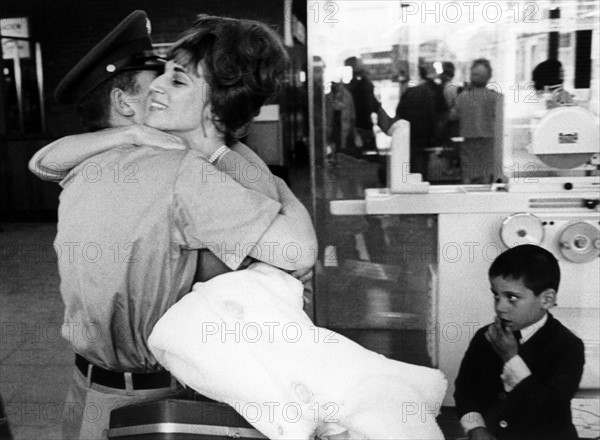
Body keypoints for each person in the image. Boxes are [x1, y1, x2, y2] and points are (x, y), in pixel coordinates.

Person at [29, 11, 316, 439]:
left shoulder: (95, 160)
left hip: (89, 391)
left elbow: (43, 162)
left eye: (177, 79)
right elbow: (297, 254)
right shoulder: (188, 171)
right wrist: (280, 188)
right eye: (159, 76)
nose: (160, 87)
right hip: (156, 401)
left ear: (216, 103)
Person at [454, 244, 584, 440]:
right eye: (496, 295)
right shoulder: (486, 336)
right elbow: (465, 390)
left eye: (511, 298)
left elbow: (550, 410)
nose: (500, 307)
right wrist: (476, 427)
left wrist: (510, 358)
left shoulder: (568, 346)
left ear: (546, 300)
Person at [395, 64, 447, 180]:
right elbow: (440, 114)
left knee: (411, 166)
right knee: (421, 168)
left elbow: (399, 112)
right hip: (425, 136)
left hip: (409, 135)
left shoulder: (410, 92)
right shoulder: (434, 90)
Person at [325, 80, 355, 165]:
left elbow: (351, 113)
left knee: (339, 144)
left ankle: (337, 158)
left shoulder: (346, 96)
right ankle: (335, 158)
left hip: (340, 125)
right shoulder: (328, 98)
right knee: (334, 143)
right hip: (334, 125)